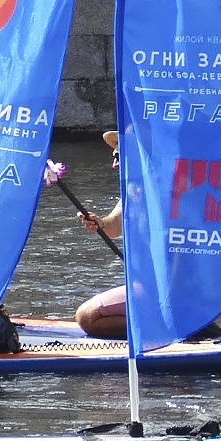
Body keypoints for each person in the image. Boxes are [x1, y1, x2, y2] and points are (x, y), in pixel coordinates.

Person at [75, 129, 126, 339]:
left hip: (166, 287)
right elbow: (112, 227)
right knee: (86, 316)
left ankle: (169, 326)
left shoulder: (163, 190)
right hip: (147, 284)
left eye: (119, 157)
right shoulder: (133, 193)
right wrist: (100, 223)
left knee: (87, 317)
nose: (114, 165)